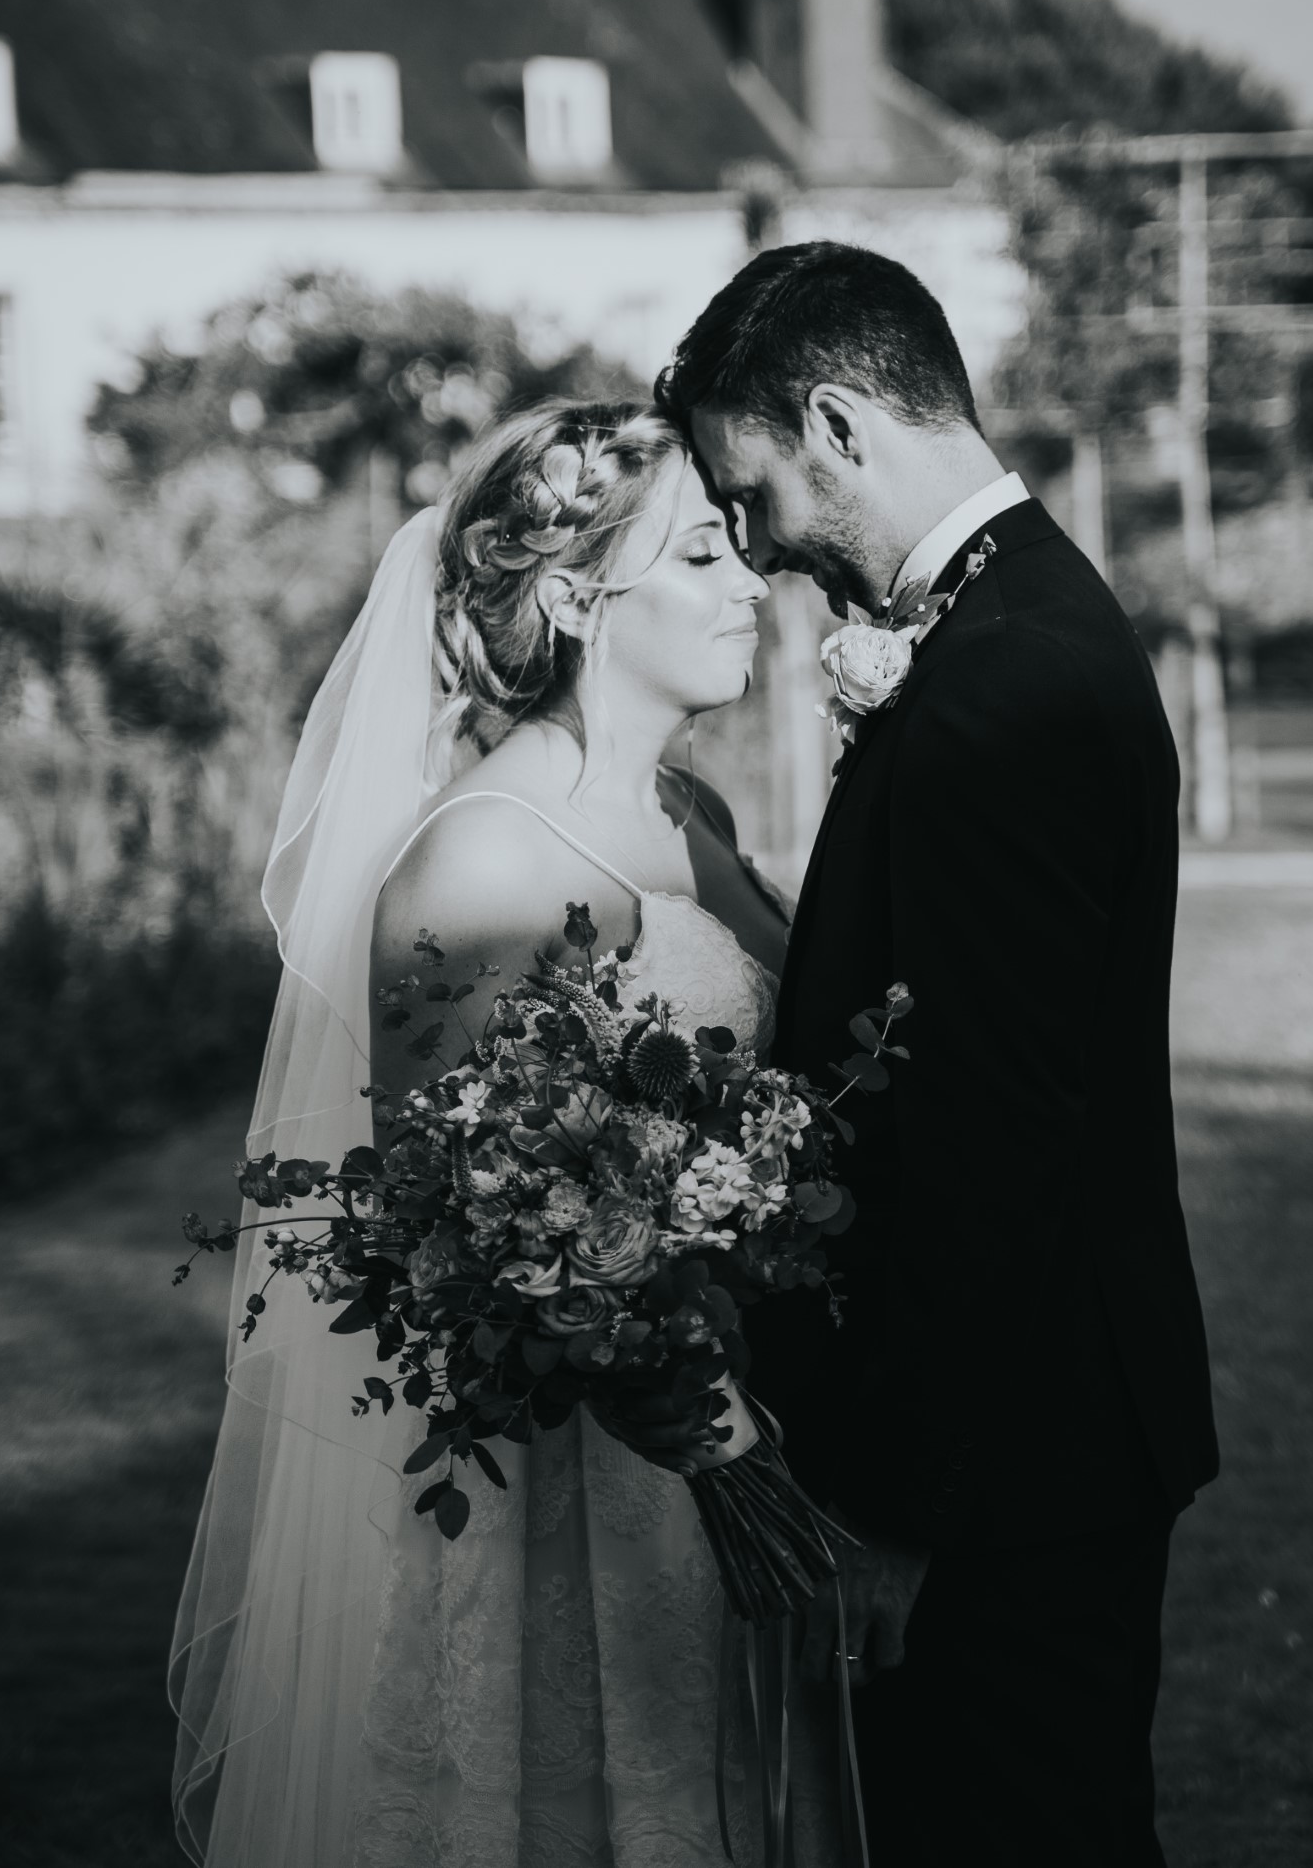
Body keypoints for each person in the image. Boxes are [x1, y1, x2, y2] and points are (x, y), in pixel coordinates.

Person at [169, 399, 821, 1868]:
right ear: (579, 598)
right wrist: (662, 1368)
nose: (752, 581)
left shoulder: (693, 809)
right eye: (703, 554)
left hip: (744, 1410)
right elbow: (449, 1218)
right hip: (583, 1489)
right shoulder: (482, 859)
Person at [659, 239, 1220, 1868]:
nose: (756, 546)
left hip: (1012, 1467)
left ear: (838, 423)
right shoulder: (1016, 623)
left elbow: (992, 1142)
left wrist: (904, 1512)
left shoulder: (1004, 684)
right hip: (1041, 1435)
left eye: (753, 493)